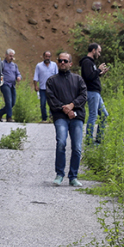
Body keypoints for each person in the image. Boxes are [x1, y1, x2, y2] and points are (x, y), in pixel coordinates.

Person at [46, 53, 88, 187]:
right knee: (61, 143)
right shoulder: (51, 81)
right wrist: (64, 109)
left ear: (70, 63)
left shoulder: (78, 79)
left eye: (65, 61)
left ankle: (73, 177)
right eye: (60, 60)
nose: (62, 62)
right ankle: (59, 174)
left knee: (77, 147)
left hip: (77, 117)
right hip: (60, 117)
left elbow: (83, 96)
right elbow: (51, 98)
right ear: (57, 63)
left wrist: (71, 106)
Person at [79, 43, 109, 145]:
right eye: (99, 51)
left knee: (104, 115)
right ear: (94, 50)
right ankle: (89, 140)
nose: (99, 54)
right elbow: (88, 77)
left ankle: (99, 139)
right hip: (91, 92)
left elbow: (92, 75)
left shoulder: (90, 62)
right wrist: (98, 70)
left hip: (96, 92)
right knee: (93, 115)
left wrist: (99, 73)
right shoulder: (87, 62)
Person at [0, 49, 22, 122]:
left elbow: (18, 73)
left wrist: (19, 77)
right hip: (5, 84)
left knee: (13, 102)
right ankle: (9, 117)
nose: (11, 57)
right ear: (6, 55)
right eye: (10, 56)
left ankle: (0, 112)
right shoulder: (2, 64)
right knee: (8, 101)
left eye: (12, 56)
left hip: (12, 85)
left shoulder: (14, 65)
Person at [33, 51, 58, 122]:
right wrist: (35, 85)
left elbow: (57, 76)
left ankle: (51, 117)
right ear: (43, 56)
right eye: (46, 56)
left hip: (52, 88)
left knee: (52, 103)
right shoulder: (39, 66)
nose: (47, 58)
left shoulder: (54, 65)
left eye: (49, 56)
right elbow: (36, 76)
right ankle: (44, 118)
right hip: (43, 88)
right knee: (43, 104)